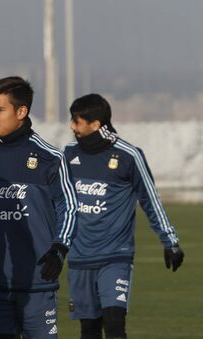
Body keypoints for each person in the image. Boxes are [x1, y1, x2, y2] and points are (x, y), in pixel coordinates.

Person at [63, 93, 184, 339]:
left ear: (95, 124)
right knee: (89, 330)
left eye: (77, 121)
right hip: (79, 259)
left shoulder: (129, 155)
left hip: (114, 257)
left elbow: (150, 200)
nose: (71, 126)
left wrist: (169, 241)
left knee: (115, 324)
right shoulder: (67, 156)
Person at [0, 76, 77, 339]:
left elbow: (70, 207)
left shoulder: (49, 158)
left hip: (36, 286)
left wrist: (59, 248)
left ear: (21, 111)